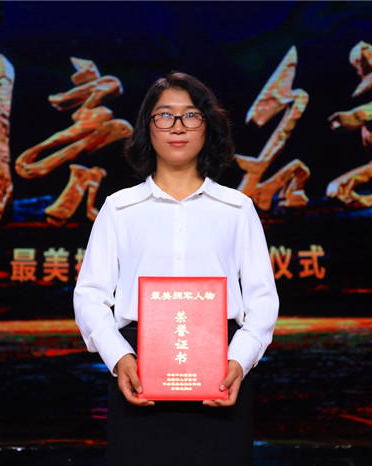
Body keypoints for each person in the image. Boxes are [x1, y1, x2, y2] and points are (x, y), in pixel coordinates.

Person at [74, 72, 279, 466]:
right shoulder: (119, 209)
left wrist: (238, 360)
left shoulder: (237, 209)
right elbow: (90, 296)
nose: (178, 126)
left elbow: (262, 299)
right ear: (147, 127)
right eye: (165, 115)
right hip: (138, 372)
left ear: (208, 126)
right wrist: (120, 358)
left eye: (191, 115)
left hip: (221, 373)